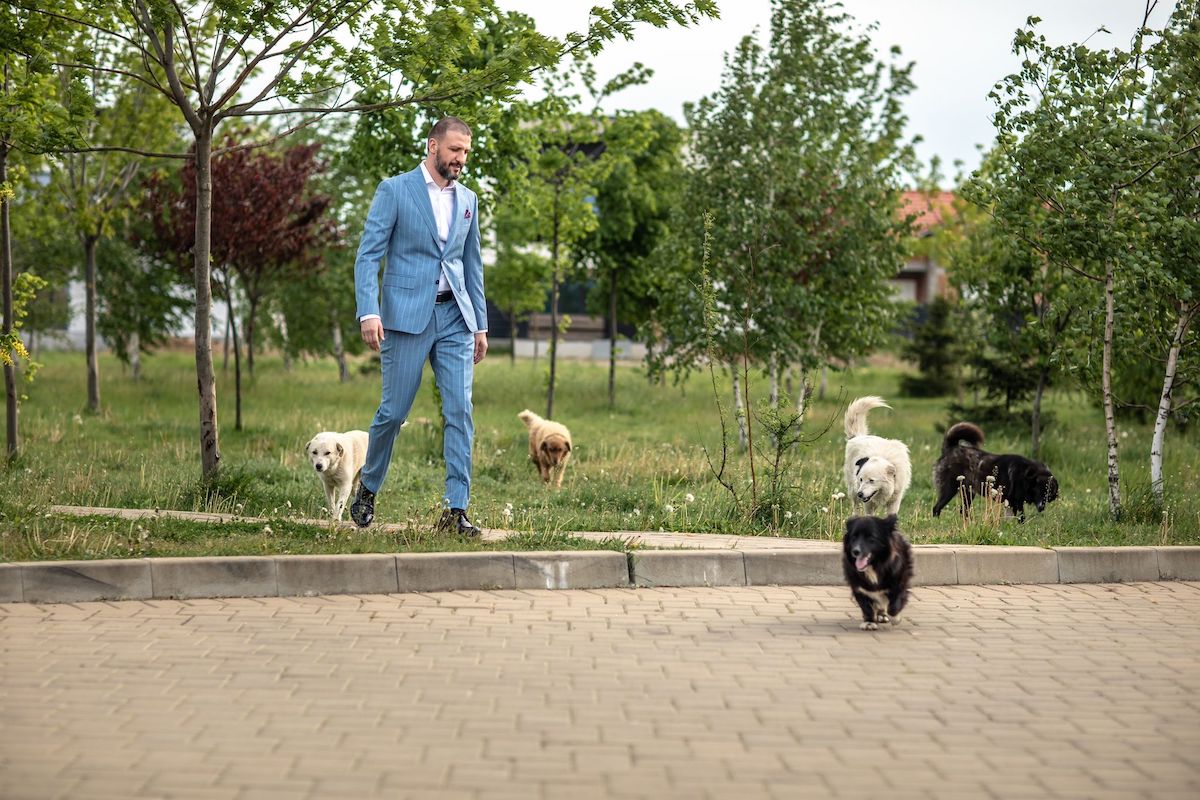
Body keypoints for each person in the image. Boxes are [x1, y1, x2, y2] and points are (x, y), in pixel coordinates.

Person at [348, 117, 488, 536]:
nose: (461, 159)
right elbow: (368, 256)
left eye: (466, 151)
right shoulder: (394, 190)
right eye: (454, 150)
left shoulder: (469, 200)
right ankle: (368, 488)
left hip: (454, 319)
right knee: (393, 413)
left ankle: (456, 510)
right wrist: (368, 312)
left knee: (460, 411)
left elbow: (472, 264)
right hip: (405, 319)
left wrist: (479, 324)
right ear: (432, 146)